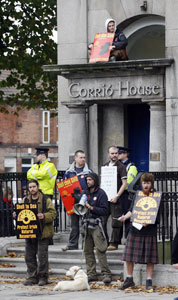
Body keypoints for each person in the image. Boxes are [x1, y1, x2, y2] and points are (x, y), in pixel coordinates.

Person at [118, 173, 160, 291]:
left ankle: (149, 280)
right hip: (135, 229)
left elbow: (158, 216)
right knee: (128, 257)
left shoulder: (156, 197)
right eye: (144, 183)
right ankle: (129, 279)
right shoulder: (138, 195)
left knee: (150, 258)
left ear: (151, 184)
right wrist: (125, 217)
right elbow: (132, 210)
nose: (146, 185)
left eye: (148, 183)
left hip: (149, 231)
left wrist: (149, 222)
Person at [13, 179, 56, 286]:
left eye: (34, 187)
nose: (32, 189)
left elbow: (53, 213)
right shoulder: (25, 200)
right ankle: (32, 277)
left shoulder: (46, 199)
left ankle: (43, 277)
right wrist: (16, 215)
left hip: (43, 232)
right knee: (29, 256)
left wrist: (44, 216)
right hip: (29, 232)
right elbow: (23, 214)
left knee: (42, 256)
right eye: (30, 187)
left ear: (38, 187)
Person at [83, 173, 112, 284]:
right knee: (87, 250)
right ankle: (91, 273)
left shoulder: (101, 193)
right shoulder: (85, 192)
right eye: (87, 180)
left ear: (95, 180)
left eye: (90, 179)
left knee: (100, 249)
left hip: (96, 225)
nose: (88, 181)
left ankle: (106, 274)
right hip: (86, 224)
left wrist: (92, 208)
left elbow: (105, 210)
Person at [62, 150, 92, 251]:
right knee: (74, 225)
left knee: (85, 224)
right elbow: (64, 188)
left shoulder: (89, 172)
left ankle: (86, 245)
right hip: (72, 201)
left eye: (84, 157)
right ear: (75, 158)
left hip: (84, 201)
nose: (83, 159)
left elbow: (92, 186)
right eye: (81, 157)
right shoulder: (68, 172)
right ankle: (72, 244)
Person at [103, 146, 127, 250]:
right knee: (101, 220)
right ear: (108, 154)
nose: (114, 155)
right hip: (106, 198)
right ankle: (104, 242)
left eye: (116, 153)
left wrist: (117, 196)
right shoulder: (105, 166)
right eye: (112, 153)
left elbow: (124, 183)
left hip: (116, 198)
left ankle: (114, 243)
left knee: (116, 221)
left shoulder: (121, 167)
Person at [118, 146, 138, 236]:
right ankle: (117, 239)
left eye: (120, 153)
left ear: (125, 154)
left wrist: (120, 186)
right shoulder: (117, 165)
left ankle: (128, 236)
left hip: (126, 194)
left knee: (127, 215)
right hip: (117, 194)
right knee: (118, 216)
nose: (117, 155)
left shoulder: (131, 166)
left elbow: (128, 182)